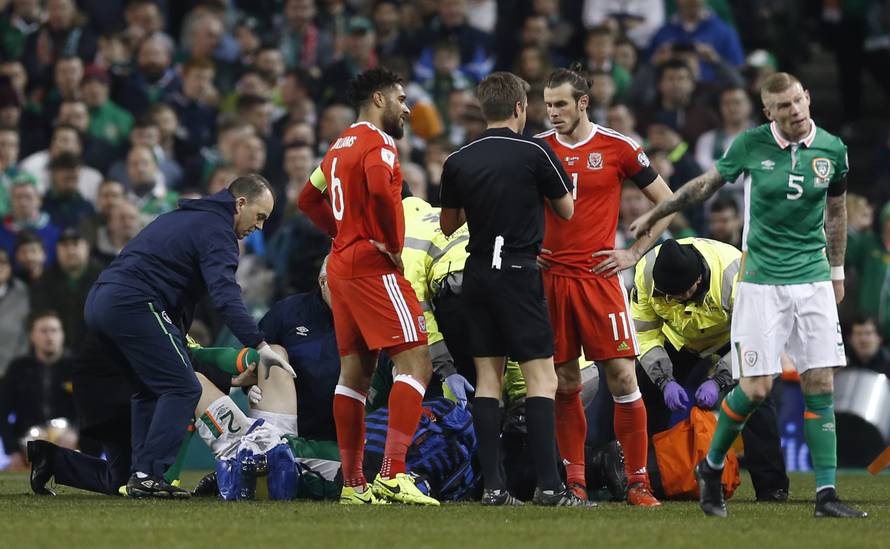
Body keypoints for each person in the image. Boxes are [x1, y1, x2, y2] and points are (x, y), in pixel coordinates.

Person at [630, 72, 867, 518]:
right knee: (756, 389)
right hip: (761, 281)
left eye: (798, 101)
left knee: (821, 384)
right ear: (768, 113)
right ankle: (706, 467)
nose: (794, 111)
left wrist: (836, 271)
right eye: (783, 107)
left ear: (808, 97)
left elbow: (836, 213)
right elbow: (704, 185)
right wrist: (661, 210)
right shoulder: (751, 145)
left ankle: (826, 495)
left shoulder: (833, 150)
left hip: (812, 277)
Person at [84, 174, 294, 499]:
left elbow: (175, 291)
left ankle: (139, 475)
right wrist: (258, 342)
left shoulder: (186, 217)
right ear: (240, 203)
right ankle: (149, 474)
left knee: (148, 389)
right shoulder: (218, 231)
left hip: (101, 302)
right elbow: (225, 296)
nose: (260, 226)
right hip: (134, 303)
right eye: (259, 216)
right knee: (183, 387)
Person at [439, 71, 584, 506]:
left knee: (489, 379)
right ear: (520, 107)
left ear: (485, 109)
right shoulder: (535, 152)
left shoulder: (458, 159)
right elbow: (567, 210)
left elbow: (448, 224)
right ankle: (550, 487)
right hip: (519, 272)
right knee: (542, 378)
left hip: (477, 273)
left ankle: (494, 488)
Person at [297, 67, 438, 506]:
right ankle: (393, 474)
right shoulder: (380, 143)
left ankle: (354, 484)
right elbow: (380, 188)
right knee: (416, 364)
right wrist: (392, 245)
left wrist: (340, 234)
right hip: (373, 266)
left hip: (341, 267)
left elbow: (307, 198)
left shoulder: (338, 146)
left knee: (354, 376)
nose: (406, 108)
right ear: (379, 99)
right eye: (401, 99)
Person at [536, 65, 674, 506]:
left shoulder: (619, 147)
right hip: (551, 280)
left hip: (600, 280)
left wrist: (635, 253)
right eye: (548, 105)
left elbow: (668, 202)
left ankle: (638, 482)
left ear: (583, 103)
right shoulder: (537, 149)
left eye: (560, 104)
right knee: (564, 380)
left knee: (622, 376)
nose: (553, 113)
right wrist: (527, 245)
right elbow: (511, 205)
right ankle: (575, 482)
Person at [632, 237, 789, 501]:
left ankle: (772, 487)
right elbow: (645, 335)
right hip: (680, 337)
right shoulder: (645, 275)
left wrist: (719, 380)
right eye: (672, 297)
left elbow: (758, 342)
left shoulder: (737, 276)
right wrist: (664, 381)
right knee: (644, 393)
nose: (680, 300)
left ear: (699, 278)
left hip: (733, 337)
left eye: (685, 293)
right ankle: (645, 480)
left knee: (756, 396)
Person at [0, 311, 75, 470]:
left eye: (54, 330)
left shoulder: (76, 368)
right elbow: (2, 411)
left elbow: (90, 410)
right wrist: (12, 450)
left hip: (71, 446)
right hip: (27, 449)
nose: (49, 336)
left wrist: (75, 433)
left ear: (62, 335)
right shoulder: (18, 368)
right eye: (43, 331)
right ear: (32, 336)